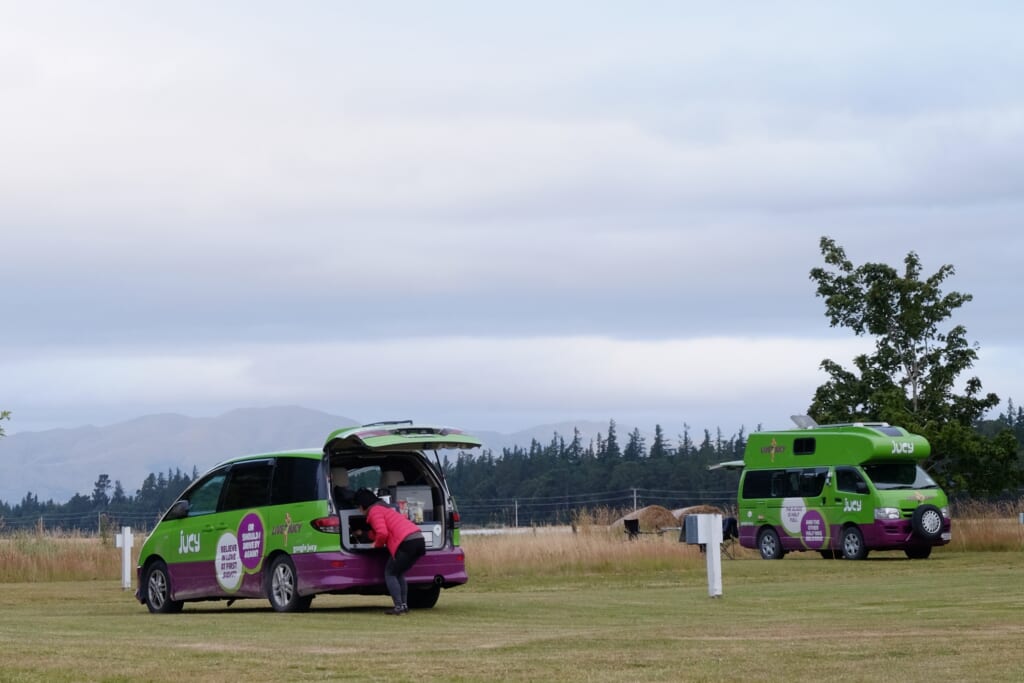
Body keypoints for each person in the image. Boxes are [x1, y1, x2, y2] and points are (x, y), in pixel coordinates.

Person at [354, 487, 426, 615]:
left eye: (358, 507)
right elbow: (378, 531)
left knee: (390, 573)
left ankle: (398, 607)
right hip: (418, 539)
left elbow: (382, 533)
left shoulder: (374, 511)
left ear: (363, 505)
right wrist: (363, 534)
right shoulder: (384, 509)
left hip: (406, 542)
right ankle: (403, 606)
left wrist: (376, 545)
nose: (359, 510)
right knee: (399, 574)